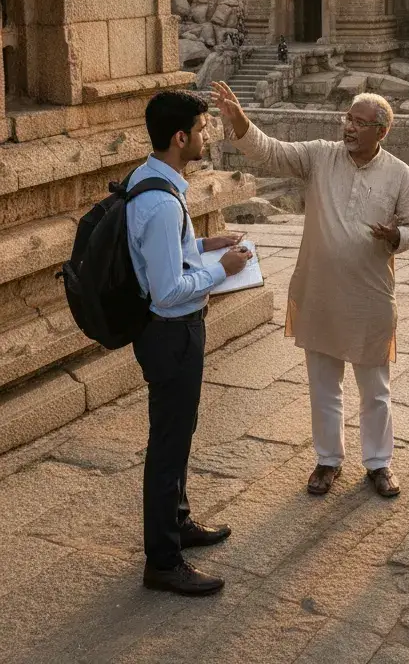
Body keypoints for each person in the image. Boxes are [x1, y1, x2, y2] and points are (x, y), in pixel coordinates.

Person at [211, 82, 409, 498]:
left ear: (381, 132)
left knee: (375, 388)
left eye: (361, 123)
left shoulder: (399, 173)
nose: (349, 128)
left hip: (370, 296)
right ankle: (328, 460)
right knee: (324, 385)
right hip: (320, 292)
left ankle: (379, 463)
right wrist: (240, 121)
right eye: (348, 118)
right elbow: (270, 151)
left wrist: (396, 235)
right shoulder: (319, 156)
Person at [129, 91, 252, 595]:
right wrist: (221, 271)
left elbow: (168, 253)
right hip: (171, 331)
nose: (206, 137)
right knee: (168, 443)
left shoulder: (152, 179)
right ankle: (162, 560)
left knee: (179, 433)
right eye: (202, 130)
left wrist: (205, 245)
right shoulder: (160, 201)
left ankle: (177, 522)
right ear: (180, 137)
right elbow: (166, 291)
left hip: (175, 332)